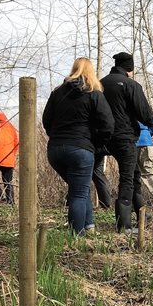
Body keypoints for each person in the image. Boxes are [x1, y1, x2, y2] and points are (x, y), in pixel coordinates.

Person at [43, 57, 114, 235]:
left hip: (55, 151)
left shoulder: (57, 93)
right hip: (81, 149)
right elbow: (108, 124)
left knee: (79, 188)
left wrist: (57, 137)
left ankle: (89, 226)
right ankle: (77, 236)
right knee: (79, 193)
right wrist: (96, 144)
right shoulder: (94, 94)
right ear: (91, 73)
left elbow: (46, 121)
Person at [100, 52, 153, 232]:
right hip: (125, 137)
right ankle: (124, 225)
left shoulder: (101, 84)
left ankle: (143, 214)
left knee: (134, 174)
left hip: (105, 138)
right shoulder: (131, 85)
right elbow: (146, 116)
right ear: (130, 69)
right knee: (128, 177)